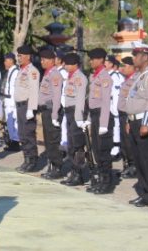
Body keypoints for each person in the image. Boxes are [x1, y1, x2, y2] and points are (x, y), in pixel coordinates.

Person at [125, 43, 148, 208]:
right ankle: (145, 191)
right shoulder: (139, 75)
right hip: (134, 120)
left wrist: (145, 123)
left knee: (147, 159)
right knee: (138, 159)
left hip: (143, 121)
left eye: (136, 55)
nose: (134, 58)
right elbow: (132, 99)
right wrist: (128, 120)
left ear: (145, 57)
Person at [86, 48, 114, 194]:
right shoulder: (94, 77)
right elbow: (92, 100)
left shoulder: (105, 78)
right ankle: (101, 180)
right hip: (95, 115)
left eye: (93, 59)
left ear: (101, 60)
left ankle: (107, 183)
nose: (91, 61)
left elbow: (105, 102)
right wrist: (90, 119)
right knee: (96, 150)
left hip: (104, 117)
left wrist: (103, 124)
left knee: (103, 151)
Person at [60, 53, 89, 186]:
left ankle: (79, 174)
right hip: (69, 112)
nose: (65, 66)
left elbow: (80, 99)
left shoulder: (80, 78)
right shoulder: (70, 77)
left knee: (77, 145)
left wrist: (78, 117)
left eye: (68, 63)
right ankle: (74, 173)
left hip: (76, 114)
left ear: (75, 64)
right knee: (71, 144)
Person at [37, 48, 64, 179]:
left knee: (53, 141)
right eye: (41, 59)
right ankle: (52, 166)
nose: (42, 62)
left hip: (52, 111)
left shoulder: (55, 75)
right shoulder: (47, 73)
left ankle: (57, 168)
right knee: (48, 141)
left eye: (44, 59)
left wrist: (54, 115)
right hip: (45, 110)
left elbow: (57, 96)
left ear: (52, 61)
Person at [14, 45, 40, 173]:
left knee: (28, 134)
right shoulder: (21, 70)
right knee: (22, 134)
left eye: (21, 56)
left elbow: (34, 90)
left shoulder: (32, 71)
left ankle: (32, 161)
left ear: (28, 56)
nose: (19, 58)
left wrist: (31, 108)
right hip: (20, 106)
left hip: (27, 105)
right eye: (18, 56)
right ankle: (26, 159)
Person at [117, 56, 137, 179]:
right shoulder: (126, 80)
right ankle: (128, 165)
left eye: (125, 66)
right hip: (122, 114)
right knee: (124, 142)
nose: (122, 68)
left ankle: (133, 166)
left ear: (132, 67)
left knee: (129, 142)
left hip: (128, 114)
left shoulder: (135, 80)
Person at [0, 53, 21, 151]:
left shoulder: (15, 72)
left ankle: (16, 142)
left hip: (12, 101)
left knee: (14, 122)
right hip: (8, 100)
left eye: (6, 60)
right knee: (10, 122)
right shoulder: (10, 71)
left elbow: (15, 88)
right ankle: (13, 140)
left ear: (11, 61)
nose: (4, 63)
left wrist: (13, 103)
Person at [106, 55, 125, 161]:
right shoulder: (107, 75)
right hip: (107, 107)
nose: (105, 64)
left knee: (115, 127)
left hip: (113, 107)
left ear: (112, 64)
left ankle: (116, 149)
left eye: (107, 62)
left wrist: (115, 109)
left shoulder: (115, 76)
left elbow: (116, 94)